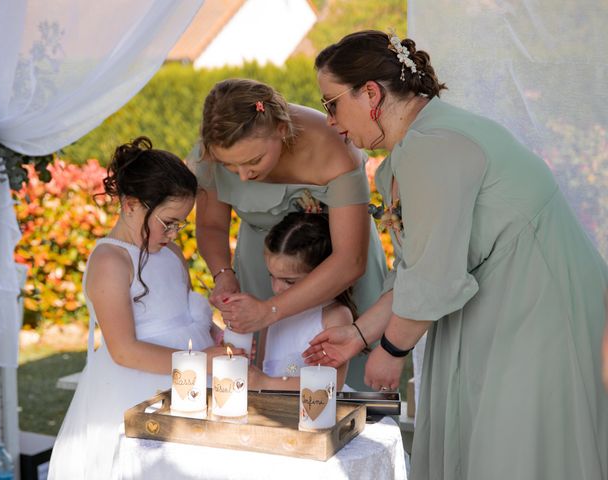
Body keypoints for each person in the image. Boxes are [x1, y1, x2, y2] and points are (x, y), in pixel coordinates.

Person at [304, 30, 608, 480]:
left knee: (524, 452)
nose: (330, 121)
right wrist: (359, 335)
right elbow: (417, 268)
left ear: (370, 93)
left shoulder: (434, 145)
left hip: (539, 309)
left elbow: (433, 277)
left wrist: (390, 349)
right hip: (509, 306)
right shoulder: (426, 139)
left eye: (331, 103)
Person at [48, 137, 241, 480]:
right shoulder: (111, 260)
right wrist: (199, 361)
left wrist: (214, 332)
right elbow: (124, 350)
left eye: (180, 224)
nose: (174, 233)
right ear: (130, 204)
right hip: (138, 387)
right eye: (168, 222)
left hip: (191, 379)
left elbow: (181, 313)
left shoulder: (169, 252)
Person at [190, 78, 387, 389]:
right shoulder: (215, 148)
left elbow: (351, 259)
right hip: (265, 262)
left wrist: (271, 310)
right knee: (260, 371)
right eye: (230, 167)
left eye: (253, 161)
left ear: (280, 130)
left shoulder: (333, 146)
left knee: (342, 372)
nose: (244, 176)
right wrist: (224, 274)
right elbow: (211, 226)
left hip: (336, 262)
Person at [247, 212, 353, 391]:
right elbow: (262, 369)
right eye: (271, 276)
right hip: (270, 409)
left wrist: (265, 383)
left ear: (321, 275)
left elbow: (332, 384)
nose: (277, 288)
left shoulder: (334, 316)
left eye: (289, 281)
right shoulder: (271, 312)